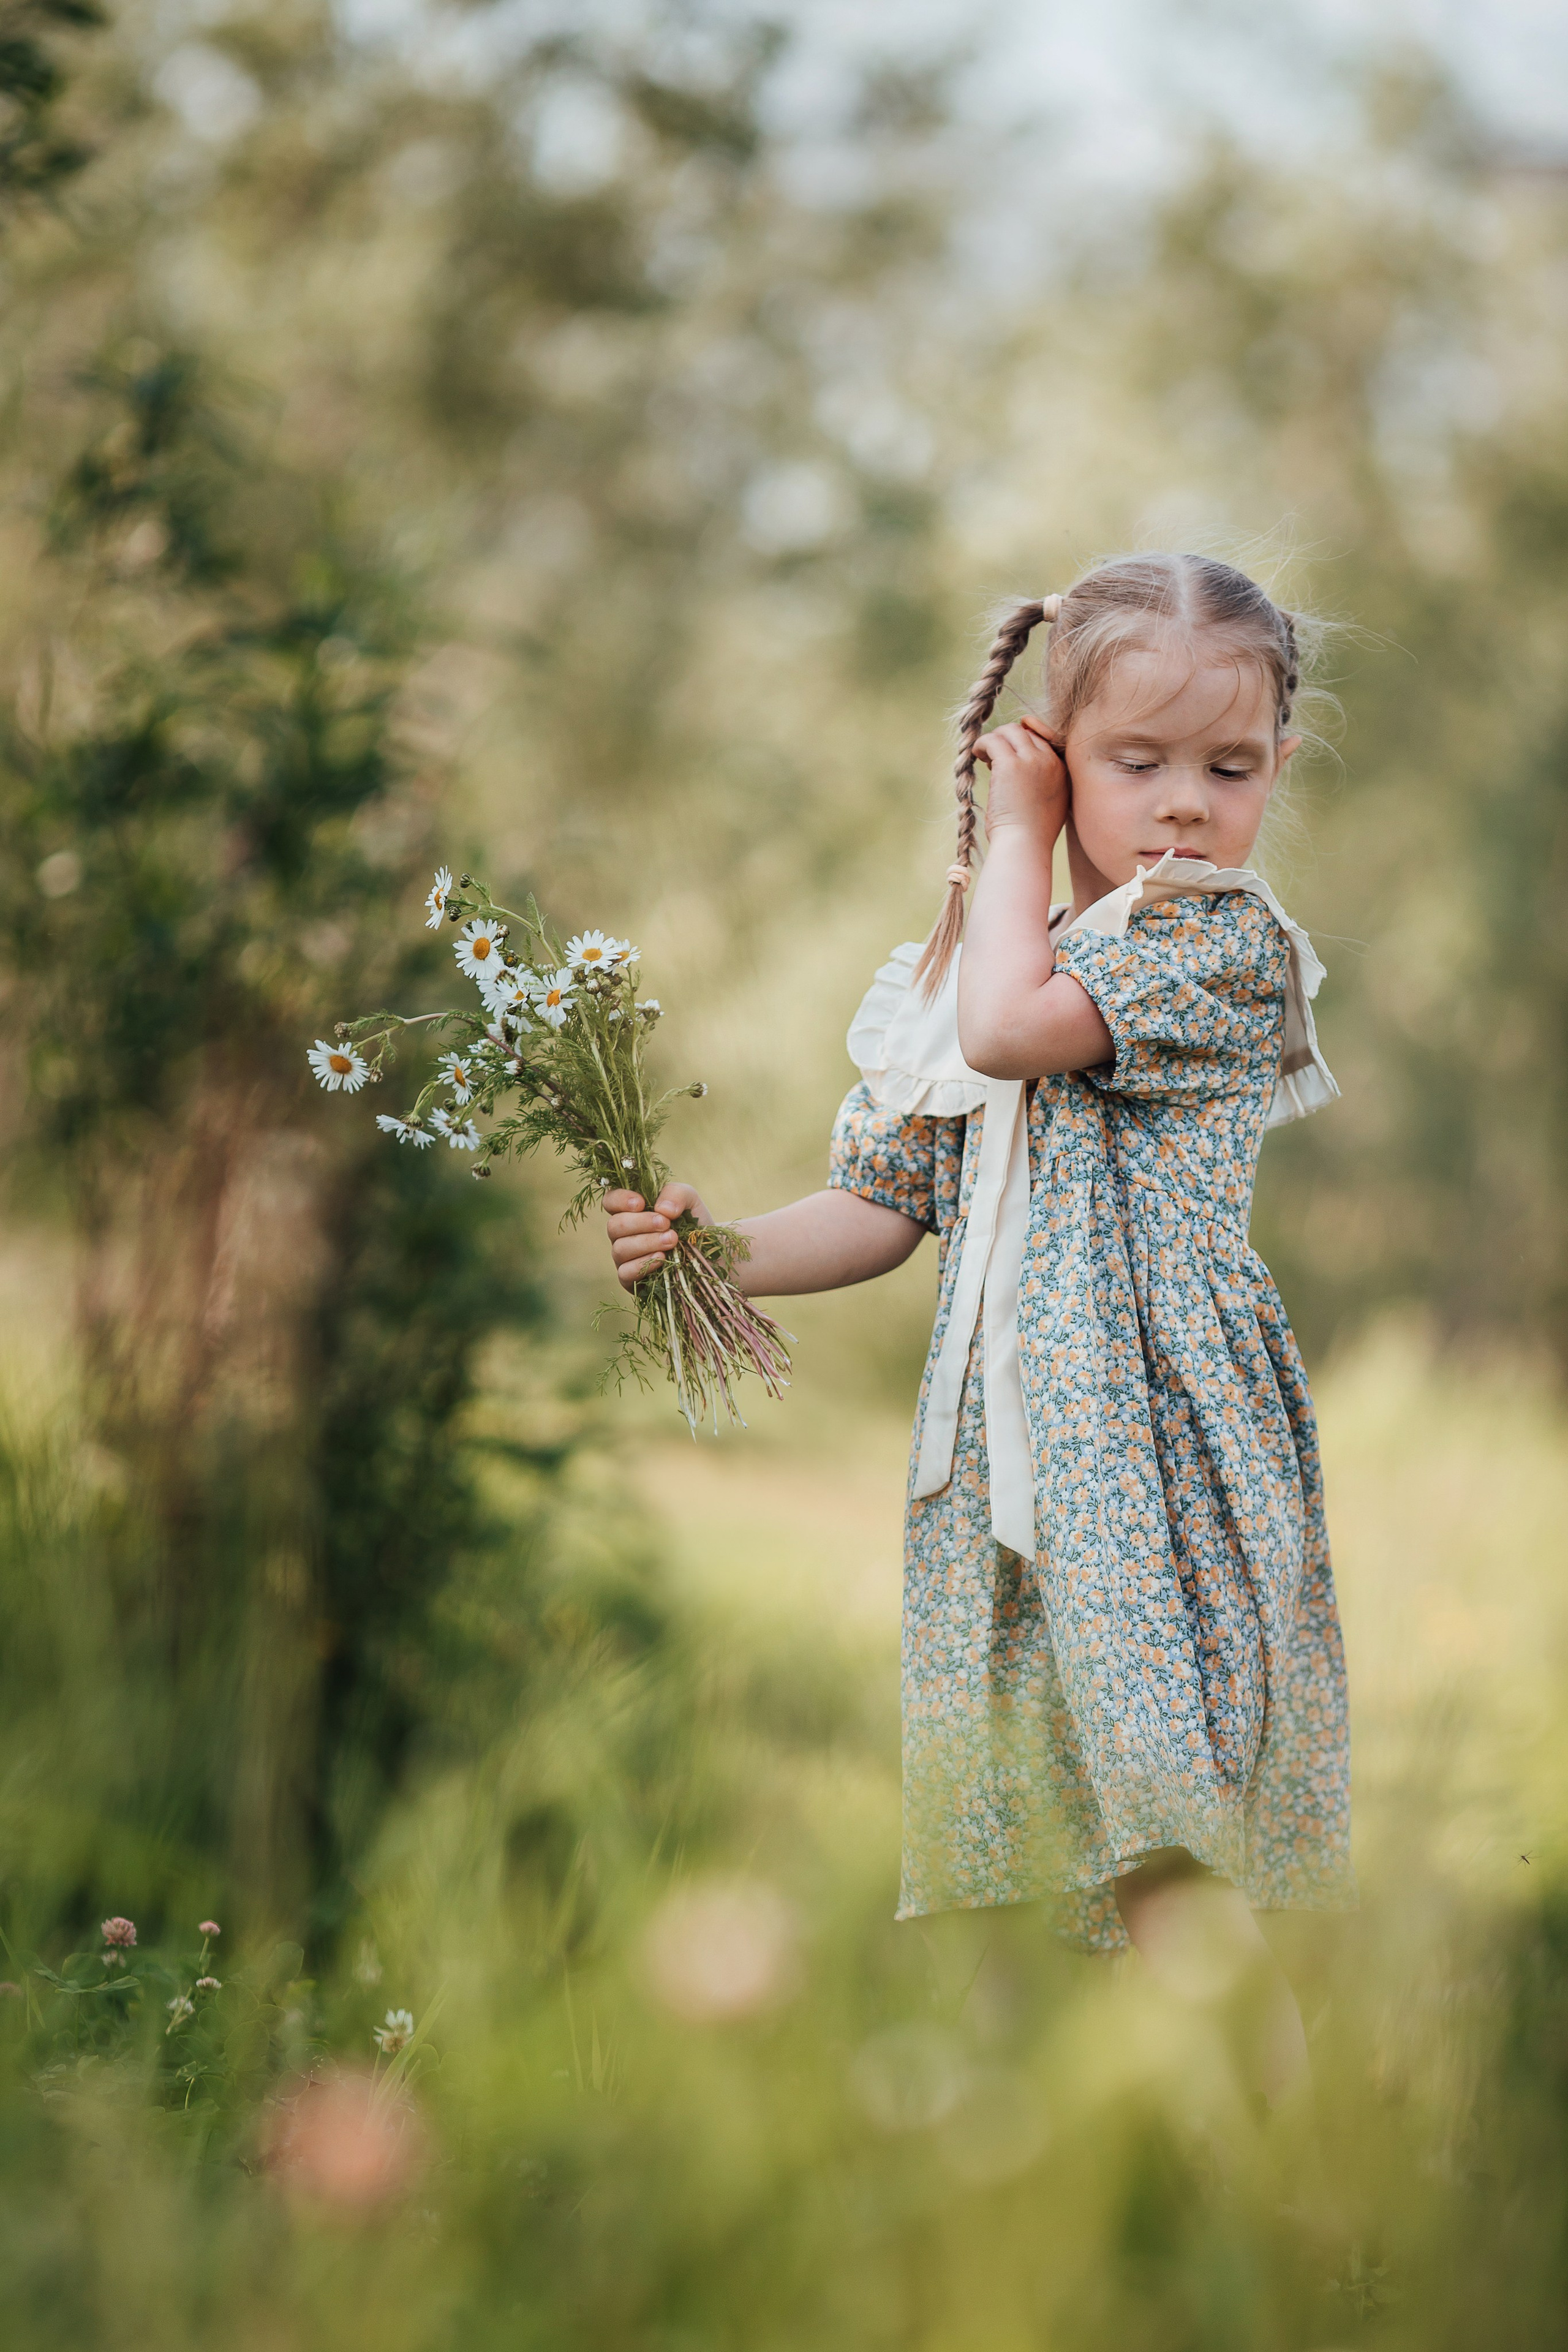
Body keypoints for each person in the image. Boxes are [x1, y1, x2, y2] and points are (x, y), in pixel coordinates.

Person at [603, 553, 1353, 2109]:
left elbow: (1023, 1029)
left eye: (1224, 769)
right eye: (1131, 762)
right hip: (998, 1481)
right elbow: (882, 1203)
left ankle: (1304, 2224)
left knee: (1167, 1853)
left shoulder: (1216, 943)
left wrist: (1012, 840)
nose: (1177, 806)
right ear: (1053, 748)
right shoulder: (988, 966)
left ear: (1277, 768)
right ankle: (1066, 2211)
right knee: (1018, 1860)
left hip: (1153, 1461)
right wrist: (714, 1253)